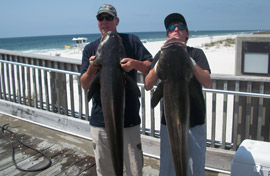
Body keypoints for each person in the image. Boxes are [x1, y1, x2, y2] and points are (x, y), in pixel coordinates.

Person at [80, 4, 153, 176]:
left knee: (133, 170)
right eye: (101, 18)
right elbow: (84, 85)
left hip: (129, 121)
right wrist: (93, 68)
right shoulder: (90, 49)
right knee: (105, 171)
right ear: (97, 22)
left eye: (109, 18)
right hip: (100, 122)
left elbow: (150, 67)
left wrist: (134, 64)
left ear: (117, 21)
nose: (105, 22)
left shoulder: (132, 41)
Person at [145, 13, 211, 176]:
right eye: (171, 28)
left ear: (187, 33)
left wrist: (190, 61)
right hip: (169, 123)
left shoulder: (197, 53)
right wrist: (160, 62)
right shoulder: (161, 55)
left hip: (195, 122)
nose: (176, 30)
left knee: (195, 167)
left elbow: (207, 82)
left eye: (180, 27)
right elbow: (148, 85)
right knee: (168, 167)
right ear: (167, 35)